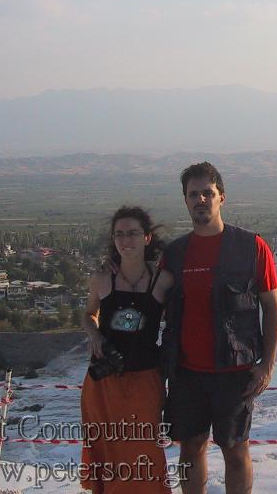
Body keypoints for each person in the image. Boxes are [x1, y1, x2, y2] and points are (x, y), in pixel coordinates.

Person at [161, 162, 277, 494]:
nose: (201, 200)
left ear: (221, 197)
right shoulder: (175, 254)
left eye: (207, 193)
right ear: (185, 200)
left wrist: (267, 365)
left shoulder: (251, 247)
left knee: (235, 450)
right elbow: (152, 300)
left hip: (234, 371)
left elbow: (272, 307)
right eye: (193, 194)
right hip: (186, 373)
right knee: (190, 449)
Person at [81, 206, 174, 494]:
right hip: (104, 381)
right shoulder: (102, 278)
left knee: (145, 451)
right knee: (107, 450)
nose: (126, 240)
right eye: (119, 234)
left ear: (147, 237)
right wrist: (95, 335)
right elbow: (88, 314)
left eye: (132, 233)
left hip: (145, 379)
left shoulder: (164, 281)